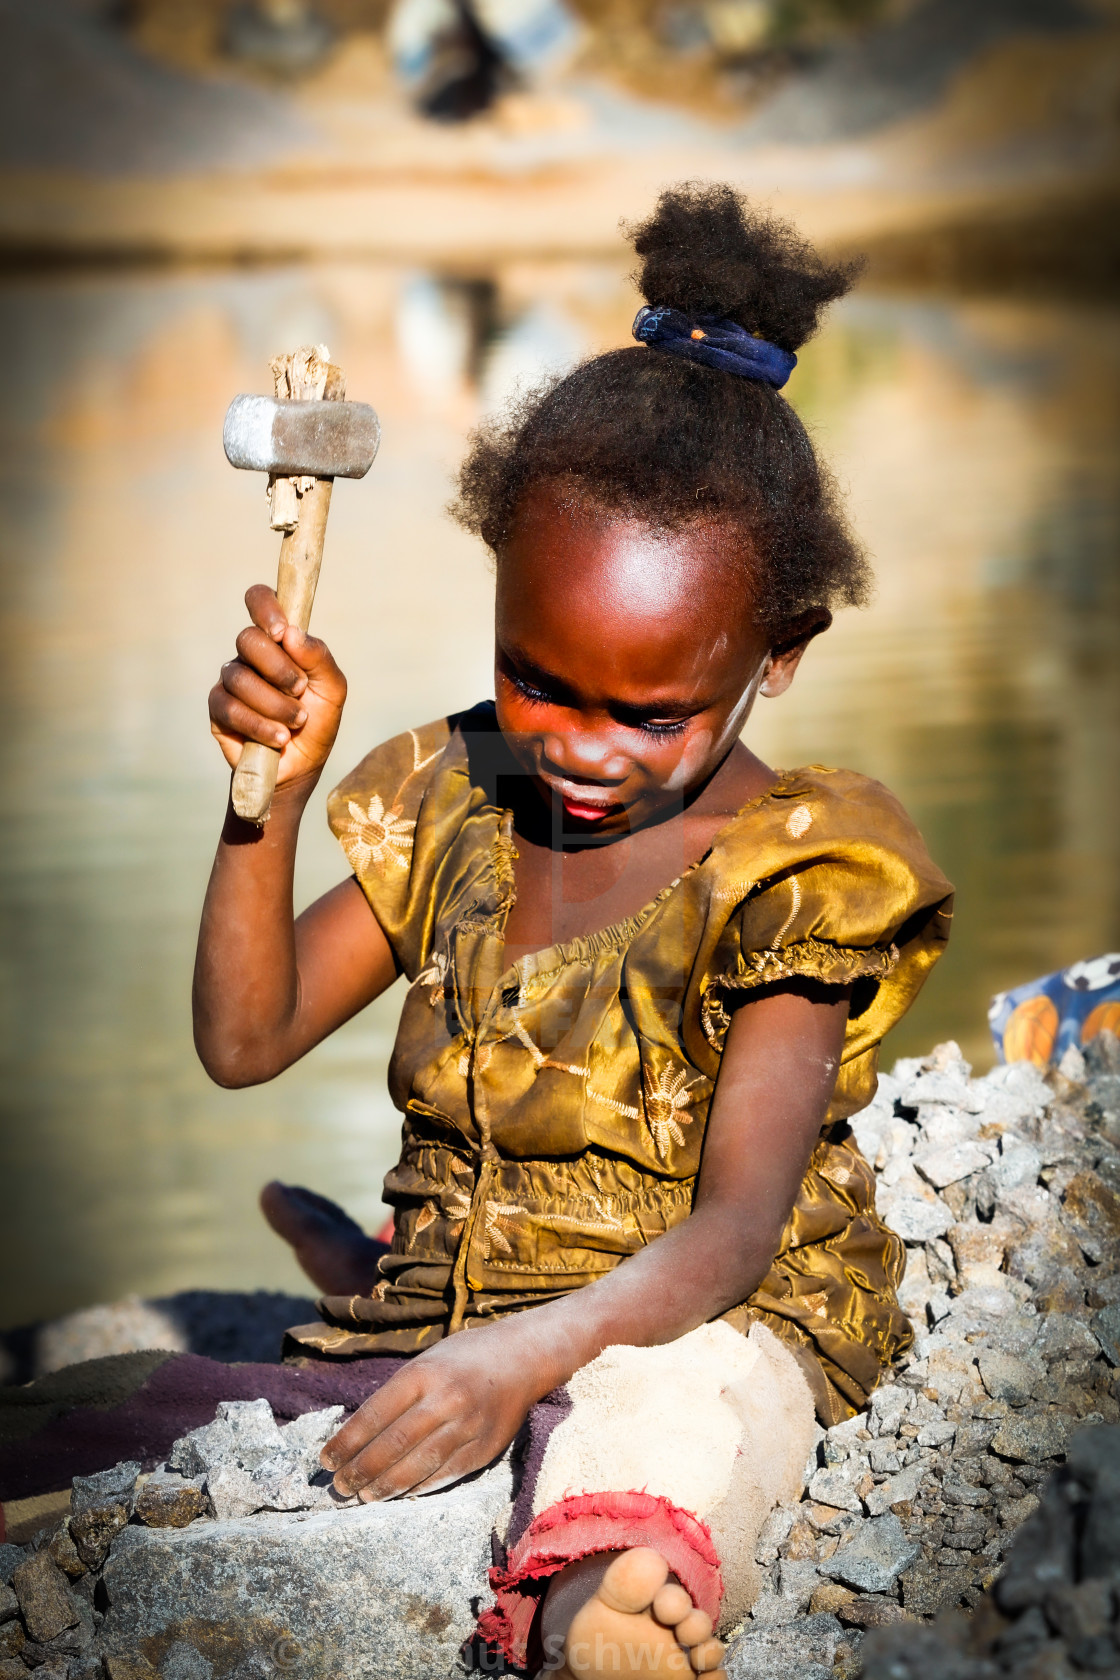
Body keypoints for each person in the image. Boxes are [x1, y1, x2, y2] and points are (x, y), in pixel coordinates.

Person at [196, 183, 953, 1679]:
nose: (580, 747)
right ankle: (393, 1274)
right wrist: (262, 800)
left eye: (651, 711)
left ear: (775, 660)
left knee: (679, 1411)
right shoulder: (465, 790)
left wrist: (527, 1354)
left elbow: (738, 1231)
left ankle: (593, 1593)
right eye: (537, 681)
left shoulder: (790, 868)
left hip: (693, 1305)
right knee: (179, 1407)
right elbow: (245, 1038)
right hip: (481, 1300)